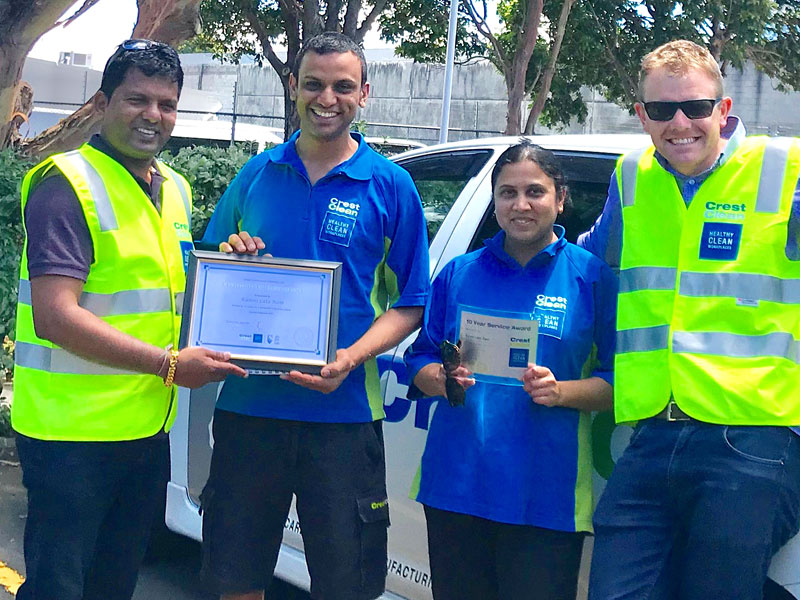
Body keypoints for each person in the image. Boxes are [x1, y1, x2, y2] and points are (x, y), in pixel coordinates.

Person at [11, 40, 247, 600]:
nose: (154, 116)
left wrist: (237, 268)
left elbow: (168, 295)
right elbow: (55, 317)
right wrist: (168, 365)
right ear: (101, 103)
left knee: (113, 585)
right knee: (58, 588)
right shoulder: (66, 184)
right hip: (70, 436)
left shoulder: (174, 189)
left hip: (144, 432)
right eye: (137, 99)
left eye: (167, 104)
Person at [199, 32, 430, 600]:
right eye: (314, 84)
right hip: (251, 406)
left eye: (343, 87)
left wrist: (351, 357)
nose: (327, 98)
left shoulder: (390, 185)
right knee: (236, 574)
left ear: (364, 94)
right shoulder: (256, 174)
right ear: (293, 88)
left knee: (346, 584)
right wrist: (232, 256)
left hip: (344, 414)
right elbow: (205, 267)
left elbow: (411, 303)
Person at [579, 40, 800, 599]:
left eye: (697, 108)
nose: (680, 123)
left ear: (723, 111)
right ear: (641, 116)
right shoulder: (631, 177)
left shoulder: (786, 170)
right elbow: (589, 261)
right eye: (661, 110)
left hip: (752, 438)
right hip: (651, 432)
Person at [404, 141, 617, 600]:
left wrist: (562, 392)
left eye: (535, 192)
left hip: (547, 497)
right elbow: (419, 357)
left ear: (560, 199)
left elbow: (619, 382)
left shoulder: (592, 278)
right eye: (507, 193)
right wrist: (439, 379)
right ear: (495, 201)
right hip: (457, 486)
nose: (520, 205)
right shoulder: (459, 273)